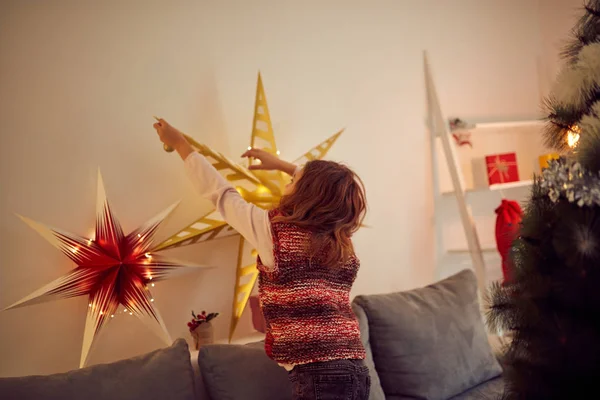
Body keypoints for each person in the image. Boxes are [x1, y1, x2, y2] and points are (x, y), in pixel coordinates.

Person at [153, 118, 370, 400]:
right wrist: (281, 166)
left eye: (293, 181)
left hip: (318, 376)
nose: (287, 183)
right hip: (355, 366)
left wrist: (181, 145)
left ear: (305, 194)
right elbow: (328, 191)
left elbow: (221, 193)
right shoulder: (340, 241)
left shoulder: (274, 232)